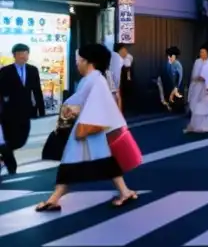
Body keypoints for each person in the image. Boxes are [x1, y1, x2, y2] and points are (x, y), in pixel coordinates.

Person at [35, 43, 138, 211]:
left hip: (87, 128)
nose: (77, 63)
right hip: (92, 128)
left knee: (71, 162)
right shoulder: (96, 79)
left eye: (79, 60)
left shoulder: (93, 80)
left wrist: (68, 109)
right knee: (102, 162)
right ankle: (124, 191)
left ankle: (54, 198)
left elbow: (79, 101)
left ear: (88, 62)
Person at [0, 43, 46, 175]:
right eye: (20, 54)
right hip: (9, 112)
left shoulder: (32, 70)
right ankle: (10, 163)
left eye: (25, 53)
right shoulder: (6, 71)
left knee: (22, 137)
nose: (23, 56)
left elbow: (37, 91)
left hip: (27, 110)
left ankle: (6, 155)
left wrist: (40, 110)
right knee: (9, 137)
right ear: (14, 56)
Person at [185, 43, 208, 134]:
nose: (202, 54)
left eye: (204, 52)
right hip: (197, 87)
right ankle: (194, 126)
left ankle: (207, 126)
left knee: (207, 108)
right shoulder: (197, 62)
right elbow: (193, 75)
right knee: (196, 107)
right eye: (201, 52)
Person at [158, 46, 185, 113]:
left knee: (175, 99)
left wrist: (176, 87)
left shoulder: (177, 64)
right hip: (169, 84)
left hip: (175, 85)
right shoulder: (169, 63)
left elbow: (179, 76)